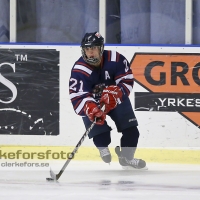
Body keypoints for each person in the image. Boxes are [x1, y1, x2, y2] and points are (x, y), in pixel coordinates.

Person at [69, 31, 146, 169]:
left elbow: (126, 80)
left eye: (93, 48)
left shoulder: (115, 59)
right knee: (101, 135)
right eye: (87, 49)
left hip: (115, 100)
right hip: (93, 102)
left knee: (132, 130)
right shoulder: (79, 69)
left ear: (101, 48)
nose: (90, 52)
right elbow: (77, 96)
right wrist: (90, 107)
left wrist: (117, 93)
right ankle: (102, 146)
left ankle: (127, 159)